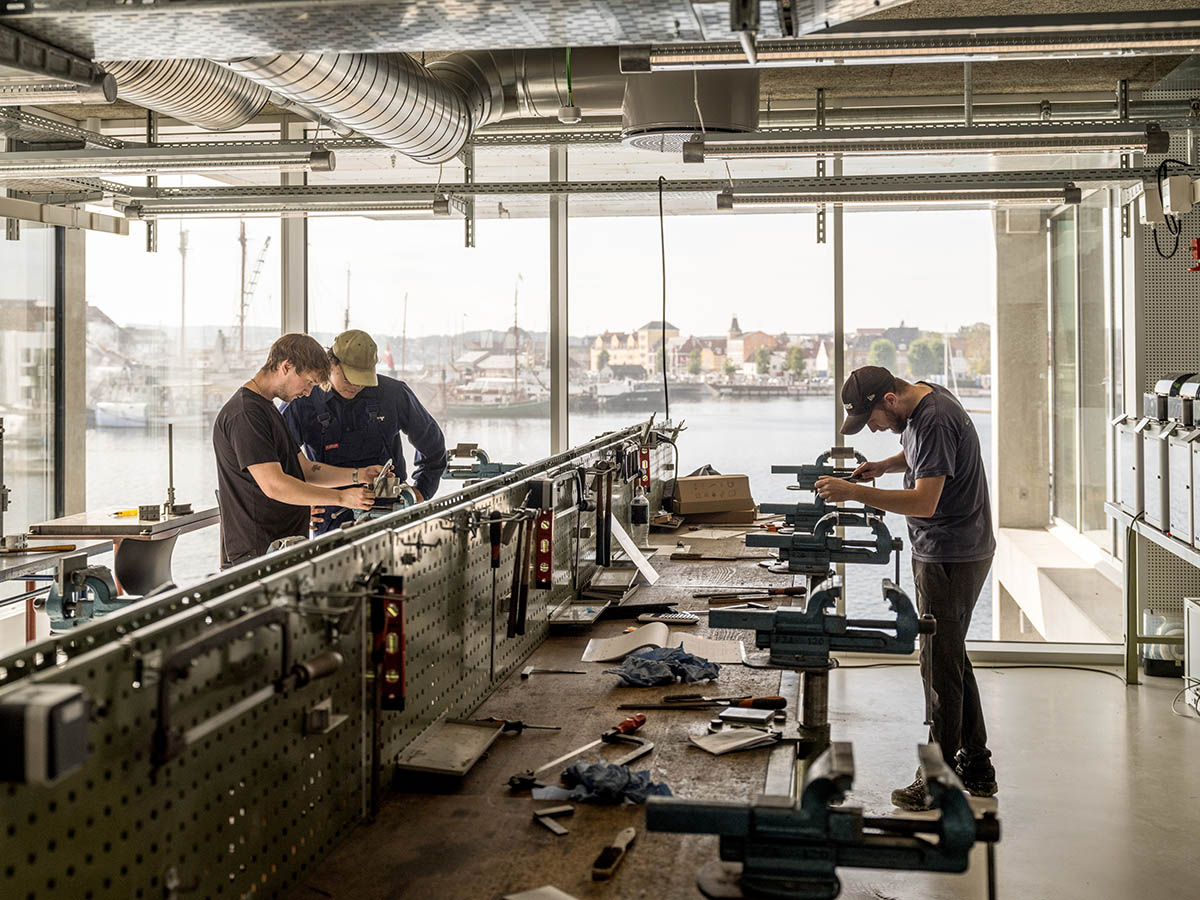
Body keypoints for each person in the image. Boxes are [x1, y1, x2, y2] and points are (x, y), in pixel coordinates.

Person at [813, 365, 997, 810]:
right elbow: (928, 456)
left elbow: (924, 501)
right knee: (950, 657)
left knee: (938, 668)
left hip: (949, 553)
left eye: (872, 419)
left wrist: (853, 493)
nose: (873, 429)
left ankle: (939, 778)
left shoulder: (931, 417)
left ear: (889, 400)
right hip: (957, 548)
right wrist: (885, 466)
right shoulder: (928, 399)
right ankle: (976, 763)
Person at [213, 333, 379, 568]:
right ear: (286, 366)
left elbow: (306, 469)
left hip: (283, 548)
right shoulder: (246, 414)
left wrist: (360, 475)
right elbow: (274, 485)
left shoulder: (267, 409)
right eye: (309, 382)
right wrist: (343, 498)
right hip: (258, 554)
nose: (309, 392)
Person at [282, 329, 446, 535]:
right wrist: (298, 504)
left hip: (391, 511)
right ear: (331, 362)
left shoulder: (393, 394)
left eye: (363, 379)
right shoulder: (302, 401)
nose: (356, 385)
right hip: (330, 515)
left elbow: (434, 447)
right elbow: (276, 464)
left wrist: (422, 490)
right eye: (350, 378)